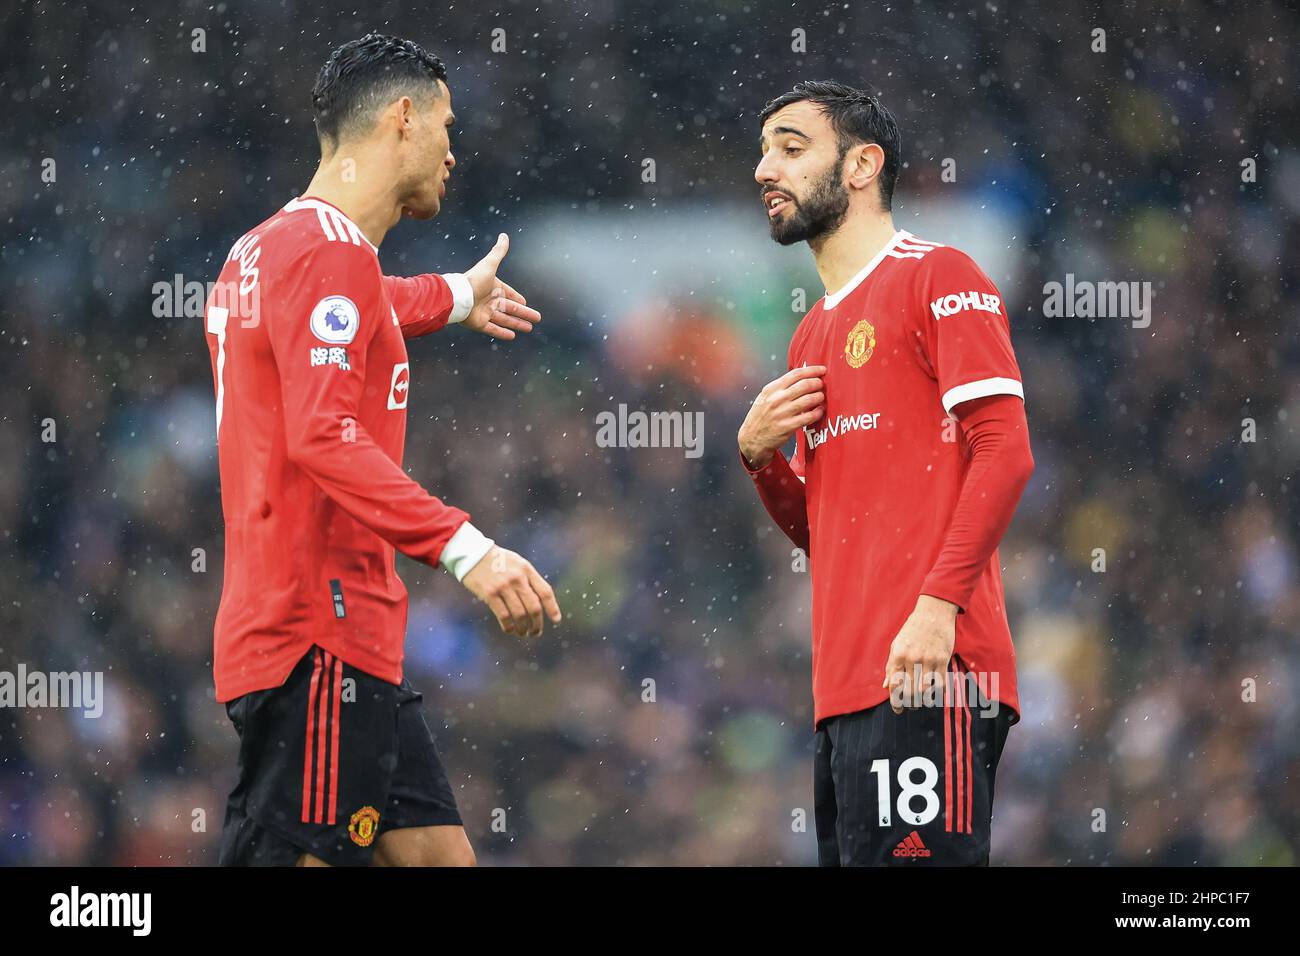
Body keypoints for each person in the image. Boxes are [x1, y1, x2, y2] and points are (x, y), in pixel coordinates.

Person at [202, 33, 561, 867]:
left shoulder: (263, 250)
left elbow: (349, 305)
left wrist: (454, 295)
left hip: (326, 634)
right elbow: (324, 436)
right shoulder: (328, 256)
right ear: (402, 119)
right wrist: (469, 551)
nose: (452, 150)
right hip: (316, 636)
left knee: (440, 859)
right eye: (445, 124)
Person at [739, 80, 1034, 865]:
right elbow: (822, 527)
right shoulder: (810, 336)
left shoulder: (940, 276)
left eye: (792, 149)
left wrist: (937, 609)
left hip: (935, 672)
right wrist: (761, 459)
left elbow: (1006, 449)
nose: (767, 168)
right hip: (844, 691)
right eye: (765, 151)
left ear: (863, 165)